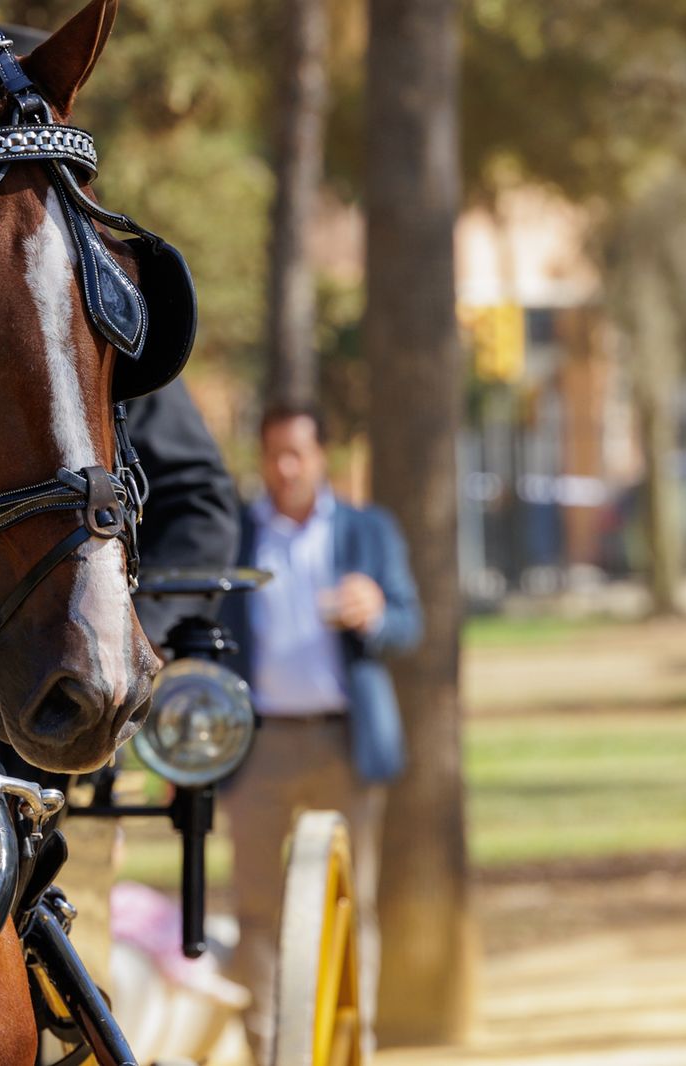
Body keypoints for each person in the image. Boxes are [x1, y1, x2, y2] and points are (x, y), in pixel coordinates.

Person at [220, 404, 422, 1064]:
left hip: (345, 741)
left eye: (296, 454)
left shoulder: (368, 531)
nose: (283, 468)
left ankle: (348, 1045)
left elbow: (409, 625)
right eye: (272, 454)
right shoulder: (237, 534)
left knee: (349, 904)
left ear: (321, 457)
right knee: (256, 909)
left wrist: (378, 614)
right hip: (258, 747)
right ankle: (269, 1050)